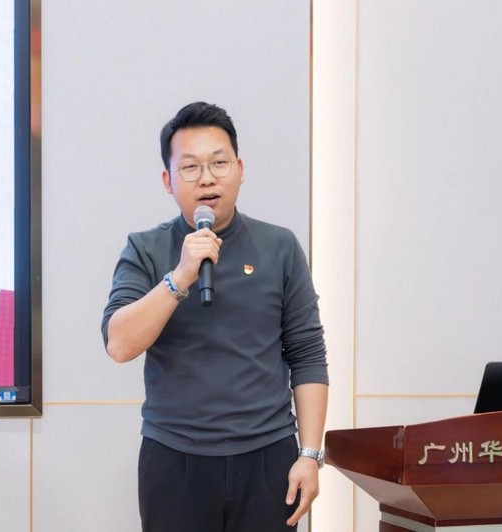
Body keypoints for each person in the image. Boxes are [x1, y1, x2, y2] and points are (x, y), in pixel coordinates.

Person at [101, 101, 329, 532]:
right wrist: (179, 277)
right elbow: (120, 345)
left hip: (268, 458)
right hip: (174, 459)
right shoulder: (145, 249)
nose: (207, 178)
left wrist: (310, 454)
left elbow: (308, 354)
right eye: (190, 167)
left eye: (219, 163)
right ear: (168, 181)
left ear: (240, 170)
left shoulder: (279, 247)